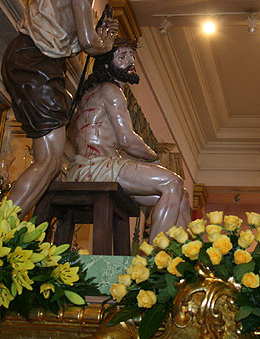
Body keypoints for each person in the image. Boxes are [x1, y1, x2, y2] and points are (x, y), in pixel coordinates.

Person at [1, 0, 119, 218]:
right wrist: (108, 40)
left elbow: (64, 36)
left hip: (22, 56)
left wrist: (94, 33)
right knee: (51, 161)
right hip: (39, 65)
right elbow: (90, 43)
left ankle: (18, 227)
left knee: (51, 162)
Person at [66, 39, 191, 241]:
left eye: (131, 55)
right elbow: (127, 140)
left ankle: (175, 261)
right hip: (95, 168)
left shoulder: (94, 93)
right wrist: (153, 158)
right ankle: (153, 260)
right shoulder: (111, 90)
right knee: (173, 182)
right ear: (106, 64)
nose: (130, 60)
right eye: (122, 57)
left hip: (91, 168)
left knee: (182, 198)